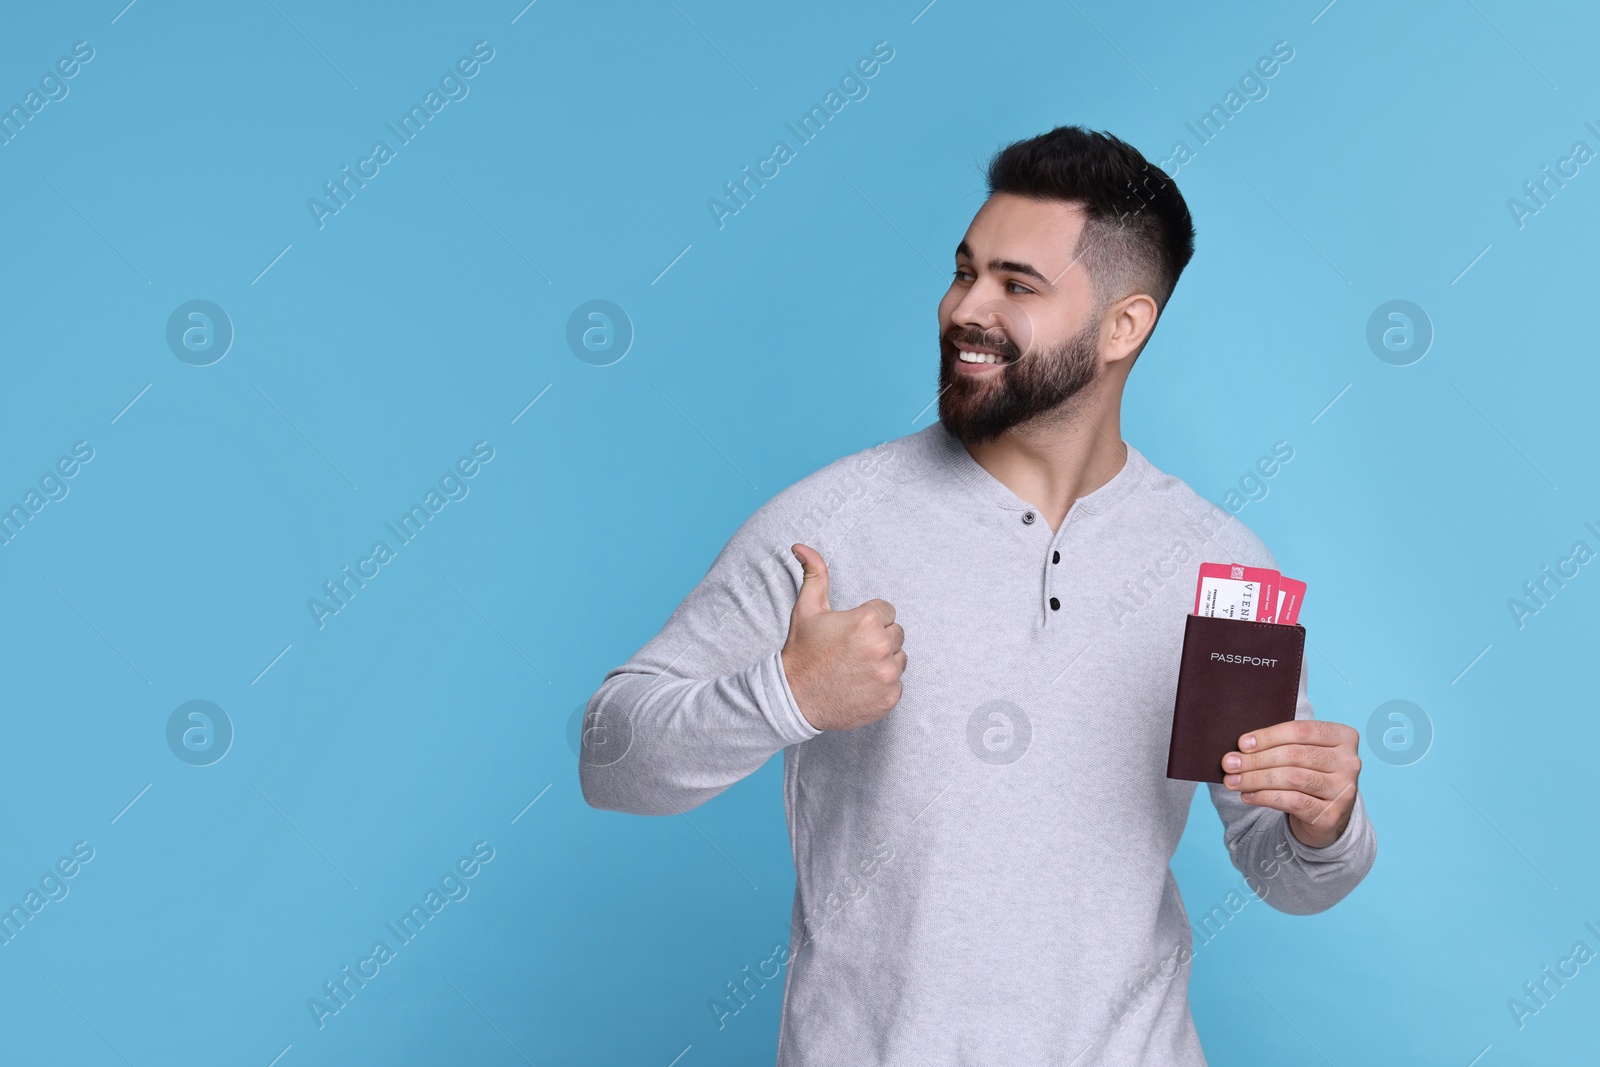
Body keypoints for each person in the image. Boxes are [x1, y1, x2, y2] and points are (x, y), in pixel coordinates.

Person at [580, 125, 1376, 1066]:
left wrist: (1326, 824)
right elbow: (610, 754)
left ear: (1126, 325)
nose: (966, 307)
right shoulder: (832, 522)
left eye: (1017, 284)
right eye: (965, 272)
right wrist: (785, 695)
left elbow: (1284, 872)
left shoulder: (1219, 566)